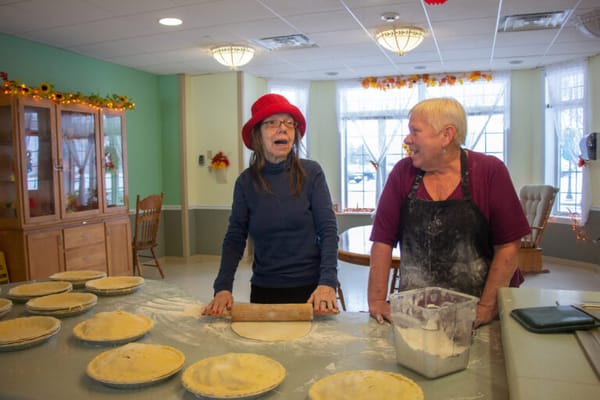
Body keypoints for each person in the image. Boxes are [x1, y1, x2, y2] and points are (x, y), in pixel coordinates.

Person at [368, 97, 530, 328]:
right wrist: (376, 300)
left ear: (446, 135)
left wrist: (485, 308)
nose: (407, 139)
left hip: (482, 311)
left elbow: (508, 247)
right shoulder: (402, 173)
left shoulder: (489, 171)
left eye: (415, 131)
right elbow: (382, 241)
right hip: (416, 312)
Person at [203, 93, 339, 316]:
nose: (282, 128)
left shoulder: (312, 173)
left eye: (288, 123)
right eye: (272, 123)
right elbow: (235, 237)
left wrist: (327, 282)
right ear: (257, 135)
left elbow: (328, 230)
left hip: (312, 291)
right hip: (265, 289)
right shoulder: (246, 183)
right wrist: (223, 287)